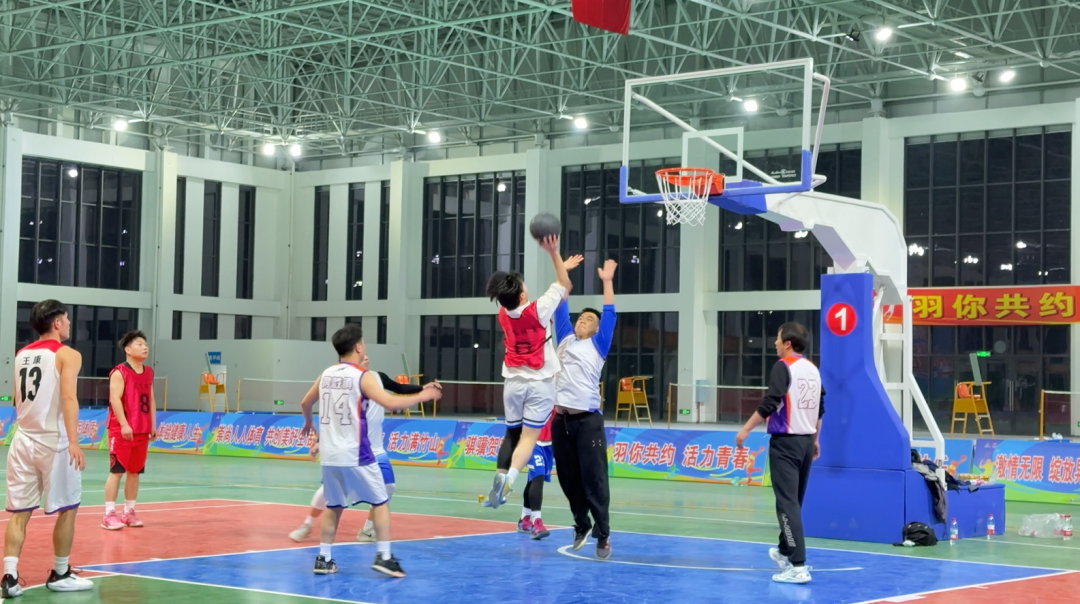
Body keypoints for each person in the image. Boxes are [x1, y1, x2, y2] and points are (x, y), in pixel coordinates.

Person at [300, 324, 441, 578]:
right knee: (380, 502)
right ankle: (384, 557)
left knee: (334, 507)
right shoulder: (362, 376)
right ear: (358, 347)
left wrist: (309, 422)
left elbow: (305, 402)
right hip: (357, 453)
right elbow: (391, 401)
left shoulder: (325, 375)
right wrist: (423, 396)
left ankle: (323, 558)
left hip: (329, 457)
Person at [289, 352, 437, 543]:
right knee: (330, 492)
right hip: (350, 448)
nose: (366, 358)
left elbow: (399, 388)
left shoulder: (377, 377)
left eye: (368, 356)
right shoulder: (345, 381)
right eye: (362, 355)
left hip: (375, 450)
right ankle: (308, 524)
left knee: (388, 486)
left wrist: (422, 387)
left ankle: (367, 529)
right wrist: (319, 440)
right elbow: (334, 415)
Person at [3, 300, 93, 597]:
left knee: (19, 513)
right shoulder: (68, 354)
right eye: (66, 318)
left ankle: (9, 576)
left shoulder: (21, 355)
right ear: (57, 323)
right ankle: (60, 572)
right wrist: (74, 441)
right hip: (54, 442)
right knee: (68, 508)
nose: (68, 323)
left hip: (22, 440)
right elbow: (69, 398)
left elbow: (16, 399)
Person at [483, 234, 571, 509]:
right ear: (522, 294)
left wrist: (562, 266)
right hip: (540, 383)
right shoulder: (538, 310)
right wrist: (554, 253)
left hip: (512, 382)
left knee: (511, 434)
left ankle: (499, 476)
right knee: (529, 437)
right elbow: (564, 284)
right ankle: (509, 479)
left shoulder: (503, 313)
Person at [735, 322, 824, 585]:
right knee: (793, 502)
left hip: (786, 444)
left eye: (776, 338)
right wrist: (816, 440)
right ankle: (785, 550)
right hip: (806, 443)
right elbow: (820, 408)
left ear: (787, 343)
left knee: (787, 505)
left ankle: (798, 566)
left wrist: (745, 430)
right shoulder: (813, 369)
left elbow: (771, 402)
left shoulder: (783, 366)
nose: (774, 343)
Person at [551, 258, 617, 560]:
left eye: (589, 320)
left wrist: (607, 281)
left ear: (597, 329)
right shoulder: (565, 338)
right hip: (561, 420)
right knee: (567, 478)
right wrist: (561, 269)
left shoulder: (598, 345)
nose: (582, 321)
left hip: (588, 420)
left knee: (594, 478)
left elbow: (609, 313)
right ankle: (582, 523)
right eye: (581, 318)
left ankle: (603, 534)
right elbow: (561, 299)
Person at [101, 331, 157, 530]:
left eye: (145, 344)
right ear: (128, 350)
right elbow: (115, 399)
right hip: (121, 429)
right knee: (117, 471)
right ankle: (108, 514)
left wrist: (152, 424)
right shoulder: (119, 372)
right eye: (139, 344)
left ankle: (129, 512)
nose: (144, 347)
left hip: (141, 430)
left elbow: (151, 398)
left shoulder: (149, 372)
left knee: (135, 472)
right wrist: (124, 423)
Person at [517, 410, 554, 540]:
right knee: (538, 478)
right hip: (532, 441)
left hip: (549, 444)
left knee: (533, 479)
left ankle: (524, 518)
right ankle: (537, 522)